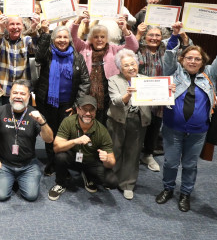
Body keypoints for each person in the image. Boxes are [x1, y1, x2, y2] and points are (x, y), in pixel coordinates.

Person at [155, 23, 217, 213]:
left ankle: (185, 194)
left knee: (190, 165)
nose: (193, 61)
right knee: (170, 162)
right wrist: (175, 35)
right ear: (182, 60)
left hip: (198, 131)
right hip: (173, 128)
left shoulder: (209, 75)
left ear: (203, 61)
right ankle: (168, 189)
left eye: (197, 59)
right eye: (189, 58)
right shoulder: (174, 72)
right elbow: (169, 55)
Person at [34, 25, 90, 175]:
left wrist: (77, 104)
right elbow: (38, 56)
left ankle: (62, 163)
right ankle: (52, 162)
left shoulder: (77, 57)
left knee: (65, 134)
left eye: (65, 37)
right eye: (58, 37)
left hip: (68, 104)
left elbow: (85, 81)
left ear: (70, 39)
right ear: (53, 39)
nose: (62, 40)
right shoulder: (48, 54)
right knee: (49, 133)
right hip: (47, 102)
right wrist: (46, 33)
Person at [136, 24, 191, 171]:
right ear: (145, 36)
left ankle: (148, 154)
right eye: (151, 35)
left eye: (157, 35)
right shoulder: (138, 48)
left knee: (155, 126)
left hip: (160, 95)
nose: (154, 38)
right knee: (138, 126)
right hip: (141, 94)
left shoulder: (166, 49)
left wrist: (183, 37)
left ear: (162, 37)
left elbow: (185, 54)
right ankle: (134, 155)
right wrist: (138, 34)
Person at [0, 80, 53, 201]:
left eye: (22, 94)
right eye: (15, 93)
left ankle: (18, 179)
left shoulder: (35, 114)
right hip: (4, 163)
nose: (18, 96)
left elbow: (49, 140)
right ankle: (9, 178)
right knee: (1, 196)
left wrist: (42, 122)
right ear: (10, 94)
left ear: (29, 96)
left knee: (31, 196)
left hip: (28, 165)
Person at [71, 11, 139, 123]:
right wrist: (78, 21)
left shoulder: (114, 49)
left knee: (105, 121)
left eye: (102, 37)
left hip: (109, 92)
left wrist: (125, 30)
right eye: (96, 37)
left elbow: (133, 47)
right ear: (91, 38)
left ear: (107, 38)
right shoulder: (84, 47)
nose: (99, 40)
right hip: (87, 92)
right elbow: (73, 37)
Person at [48, 95, 118, 201]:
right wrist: (75, 141)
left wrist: (107, 159)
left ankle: (88, 175)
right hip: (72, 159)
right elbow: (56, 147)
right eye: (84, 109)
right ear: (78, 109)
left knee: (112, 182)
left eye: (91, 110)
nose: (88, 113)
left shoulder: (102, 130)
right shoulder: (68, 122)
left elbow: (112, 162)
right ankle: (60, 184)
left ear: (95, 111)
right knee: (60, 157)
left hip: (90, 162)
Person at [106, 49, 151, 200]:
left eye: (133, 64)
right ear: (120, 68)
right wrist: (128, 95)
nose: (131, 68)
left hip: (138, 120)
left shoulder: (146, 80)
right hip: (117, 120)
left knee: (133, 152)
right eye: (126, 65)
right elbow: (115, 100)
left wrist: (167, 91)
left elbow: (157, 99)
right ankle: (113, 178)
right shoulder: (113, 80)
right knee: (115, 150)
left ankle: (128, 184)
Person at [0, 15, 39, 104]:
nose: (15, 27)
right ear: (6, 26)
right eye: (12, 24)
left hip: (22, 91)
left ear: (22, 26)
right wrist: (1, 28)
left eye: (18, 24)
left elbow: (36, 49)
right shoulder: (2, 40)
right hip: (5, 90)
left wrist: (34, 29)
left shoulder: (27, 40)